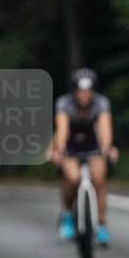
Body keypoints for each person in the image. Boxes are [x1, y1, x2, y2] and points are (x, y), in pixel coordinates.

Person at [51, 68, 118, 245]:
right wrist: (59, 149)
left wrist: (107, 148)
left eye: (88, 91)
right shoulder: (64, 103)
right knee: (73, 178)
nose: (84, 95)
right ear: (74, 91)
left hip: (92, 145)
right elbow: (62, 129)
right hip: (71, 146)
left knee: (99, 180)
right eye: (80, 91)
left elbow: (104, 128)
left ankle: (101, 225)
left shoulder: (101, 103)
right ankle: (66, 214)